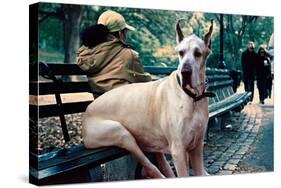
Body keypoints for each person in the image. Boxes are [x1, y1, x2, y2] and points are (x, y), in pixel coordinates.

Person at [76, 10, 152, 93]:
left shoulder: (86, 54)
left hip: (97, 102)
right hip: (121, 102)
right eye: (125, 31)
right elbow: (144, 82)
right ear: (120, 33)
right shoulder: (129, 54)